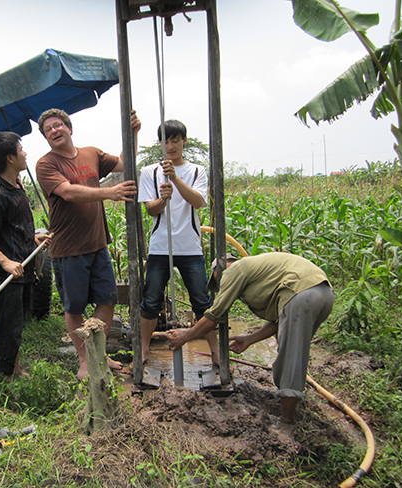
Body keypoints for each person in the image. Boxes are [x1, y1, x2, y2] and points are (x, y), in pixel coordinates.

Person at [35, 108, 141, 381]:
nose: (55, 131)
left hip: (98, 244)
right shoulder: (46, 164)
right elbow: (68, 192)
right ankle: (84, 360)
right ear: (46, 137)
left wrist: (133, 135)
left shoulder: (91, 153)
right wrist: (110, 193)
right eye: (49, 129)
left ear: (70, 128)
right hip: (69, 249)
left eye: (58, 125)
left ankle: (99, 354)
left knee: (107, 300)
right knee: (75, 307)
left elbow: (122, 164)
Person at [168, 252, 334, 425]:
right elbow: (278, 320)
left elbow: (216, 314)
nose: (219, 284)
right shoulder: (257, 272)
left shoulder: (234, 270)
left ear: (220, 268)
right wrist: (250, 339)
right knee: (293, 352)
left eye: (216, 280)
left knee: (291, 359)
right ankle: (288, 403)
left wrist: (185, 336)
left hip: (302, 295)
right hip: (324, 293)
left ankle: (287, 421)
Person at [0, 132, 50, 381]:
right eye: (21, 149)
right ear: (9, 157)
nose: (25, 153)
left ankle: (13, 368)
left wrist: (35, 241)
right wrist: (4, 261)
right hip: (7, 274)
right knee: (8, 326)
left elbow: (14, 229)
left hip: (23, 269)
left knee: (17, 324)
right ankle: (4, 377)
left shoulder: (17, 186)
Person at [137, 119, 217, 365]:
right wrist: (163, 198)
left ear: (184, 141)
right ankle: (143, 351)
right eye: (165, 141)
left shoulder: (196, 171)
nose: (170, 146)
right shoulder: (150, 172)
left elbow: (198, 201)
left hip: (190, 247)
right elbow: (151, 209)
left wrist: (175, 179)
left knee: (202, 301)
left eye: (175, 140)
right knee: (151, 301)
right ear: (159, 143)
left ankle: (216, 353)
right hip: (160, 248)